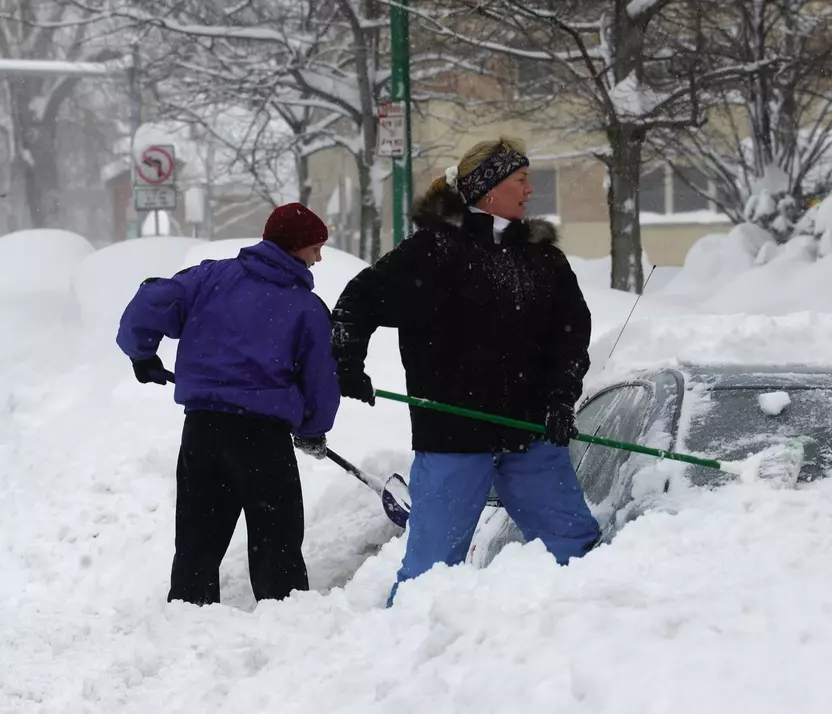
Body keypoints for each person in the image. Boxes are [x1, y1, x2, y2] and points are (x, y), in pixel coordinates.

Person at [331, 137, 601, 606]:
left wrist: (562, 395)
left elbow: (572, 334)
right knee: (430, 571)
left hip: (529, 434)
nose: (530, 191)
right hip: (452, 438)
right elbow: (357, 303)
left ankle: (576, 639)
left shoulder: (542, 259)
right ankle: (403, 653)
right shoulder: (433, 253)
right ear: (489, 187)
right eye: (521, 180)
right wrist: (347, 365)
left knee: (575, 550)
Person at [116, 202, 341, 606]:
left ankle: (188, 614)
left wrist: (142, 354)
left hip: (204, 431)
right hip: (264, 442)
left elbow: (149, 303)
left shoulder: (209, 277)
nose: (319, 257)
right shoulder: (306, 309)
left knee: (197, 539)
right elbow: (321, 380)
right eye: (314, 247)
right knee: (277, 543)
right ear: (293, 248)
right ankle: (288, 622)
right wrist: (312, 429)